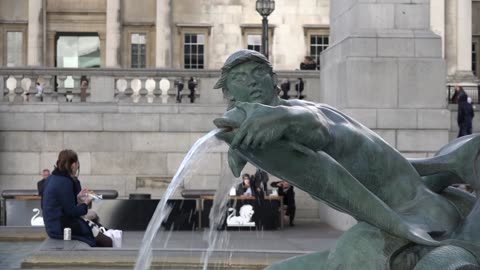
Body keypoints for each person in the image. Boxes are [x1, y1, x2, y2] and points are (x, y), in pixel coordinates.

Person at [212, 50, 468, 263]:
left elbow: (318, 127)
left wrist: (283, 120)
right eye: (240, 77)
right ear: (228, 94)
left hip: (419, 223)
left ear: (274, 79)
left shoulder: (300, 115)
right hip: (401, 221)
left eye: (259, 73)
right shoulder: (286, 117)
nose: (253, 82)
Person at [42, 149, 112, 247]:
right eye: (77, 164)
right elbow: (72, 212)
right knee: (108, 242)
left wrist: (77, 198)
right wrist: (86, 202)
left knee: (97, 232)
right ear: (73, 165)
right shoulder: (66, 182)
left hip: (52, 227)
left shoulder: (50, 179)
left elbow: (61, 205)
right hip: (62, 228)